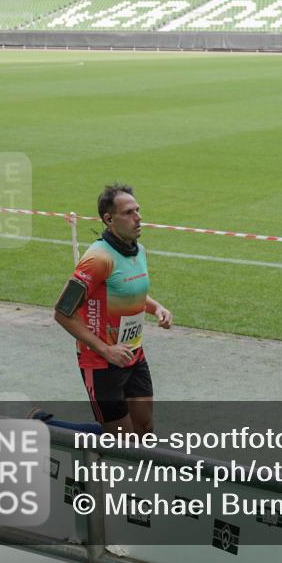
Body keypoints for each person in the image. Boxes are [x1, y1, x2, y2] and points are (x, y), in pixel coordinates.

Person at [53, 183, 172, 435]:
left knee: (144, 428)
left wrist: (156, 308)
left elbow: (128, 290)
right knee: (120, 440)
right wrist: (106, 350)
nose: (138, 218)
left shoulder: (138, 250)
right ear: (109, 219)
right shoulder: (97, 259)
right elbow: (63, 312)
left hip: (133, 354)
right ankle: (46, 425)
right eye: (129, 212)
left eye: (138, 210)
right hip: (101, 362)